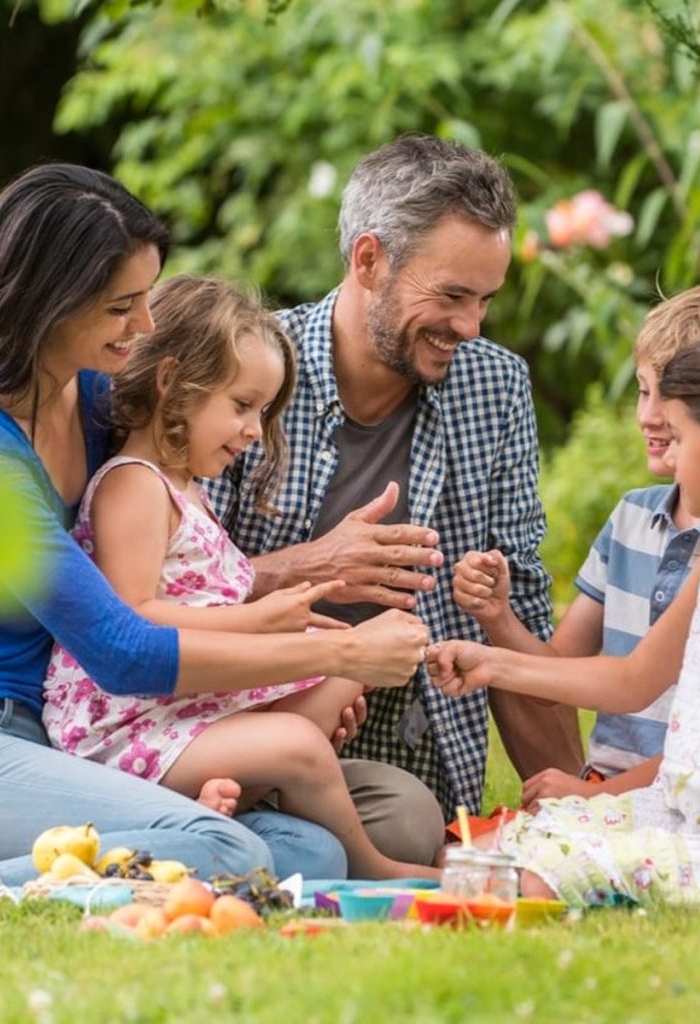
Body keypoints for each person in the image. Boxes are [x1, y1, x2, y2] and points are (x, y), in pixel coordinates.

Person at [0, 163, 428, 904]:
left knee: (306, 848)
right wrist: (341, 649)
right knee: (226, 848)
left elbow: (168, 578)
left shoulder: (91, 402)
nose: (146, 327)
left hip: (48, 742)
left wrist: (306, 576)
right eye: (123, 306)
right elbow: (122, 649)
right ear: (48, 305)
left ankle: (93, 850)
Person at [428, 322, 700, 919]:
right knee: (474, 856)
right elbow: (632, 679)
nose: (670, 455)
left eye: (682, 437)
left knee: (516, 884)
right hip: (685, 812)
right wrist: (491, 663)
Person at [205, 134, 582, 841]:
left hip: (406, 756)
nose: (470, 327)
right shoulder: (241, 372)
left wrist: (572, 819)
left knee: (407, 825)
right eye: (452, 296)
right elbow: (157, 599)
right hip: (232, 730)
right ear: (369, 261)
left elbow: (521, 610)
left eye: (486, 301)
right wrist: (309, 568)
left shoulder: (496, 387)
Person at [42, 274, 436, 880]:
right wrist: (258, 621)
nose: (255, 431)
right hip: (126, 729)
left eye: (263, 410)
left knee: (340, 677)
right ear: (173, 383)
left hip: (180, 711)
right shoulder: (132, 486)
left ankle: (219, 801)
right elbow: (131, 617)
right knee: (301, 743)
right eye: (242, 406)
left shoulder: (187, 491)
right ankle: (373, 867)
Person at [453, 284, 700, 809]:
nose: (649, 416)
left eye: (670, 398)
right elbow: (557, 678)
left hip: (694, 795)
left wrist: (599, 798)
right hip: (607, 788)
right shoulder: (632, 520)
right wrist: (497, 617)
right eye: (643, 391)